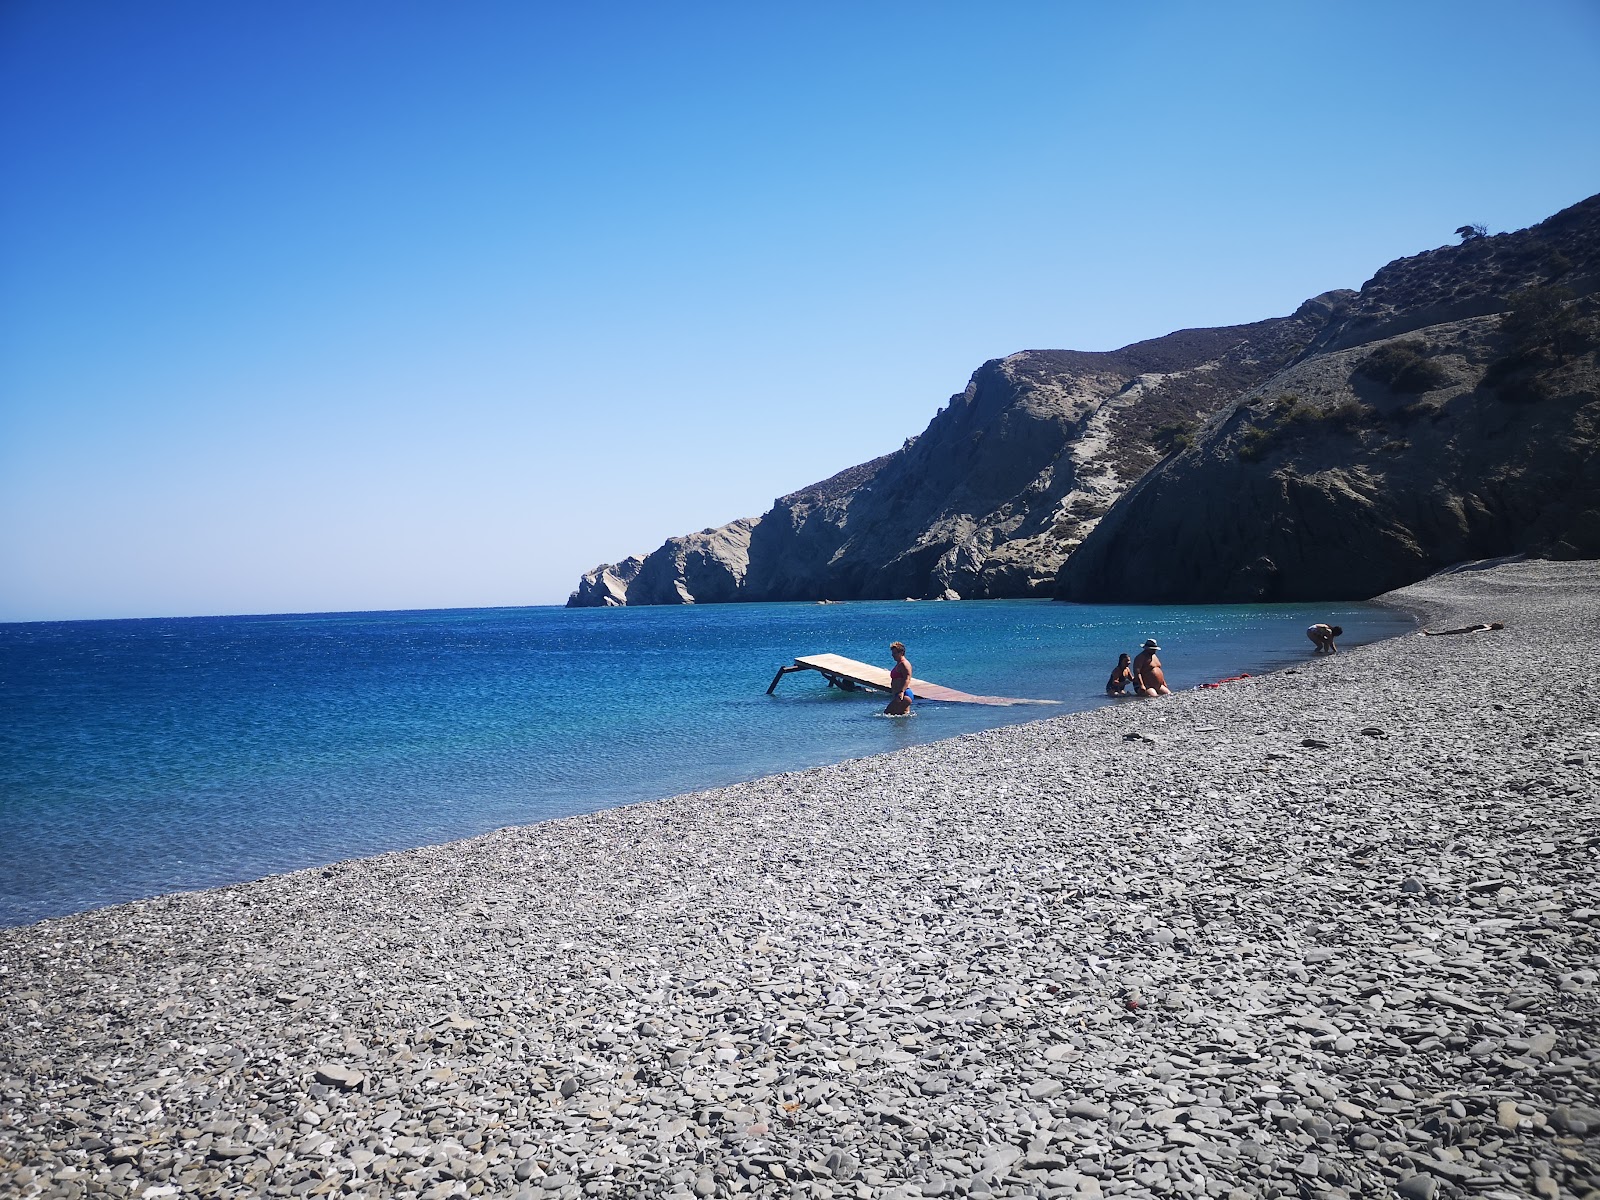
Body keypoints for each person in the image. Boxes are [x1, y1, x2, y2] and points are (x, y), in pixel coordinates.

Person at [884, 641, 914, 715]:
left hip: (903, 694)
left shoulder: (904, 664)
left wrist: (901, 692)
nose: (893, 655)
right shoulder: (899, 663)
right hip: (900, 694)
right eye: (892, 653)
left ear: (901, 653)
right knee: (902, 719)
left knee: (887, 713)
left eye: (895, 653)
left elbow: (907, 678)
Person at [1420, 621, 1504, 636]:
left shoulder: (1489, 628)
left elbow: (1479, 630)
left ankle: (1430, 634)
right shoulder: (1488, 626)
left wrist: (1474, 631)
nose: (1495, 623)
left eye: (1497, 624)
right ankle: (1431, 633)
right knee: (1448, 631)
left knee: (1449, 632)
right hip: (1468, 629)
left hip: (1468, 630)